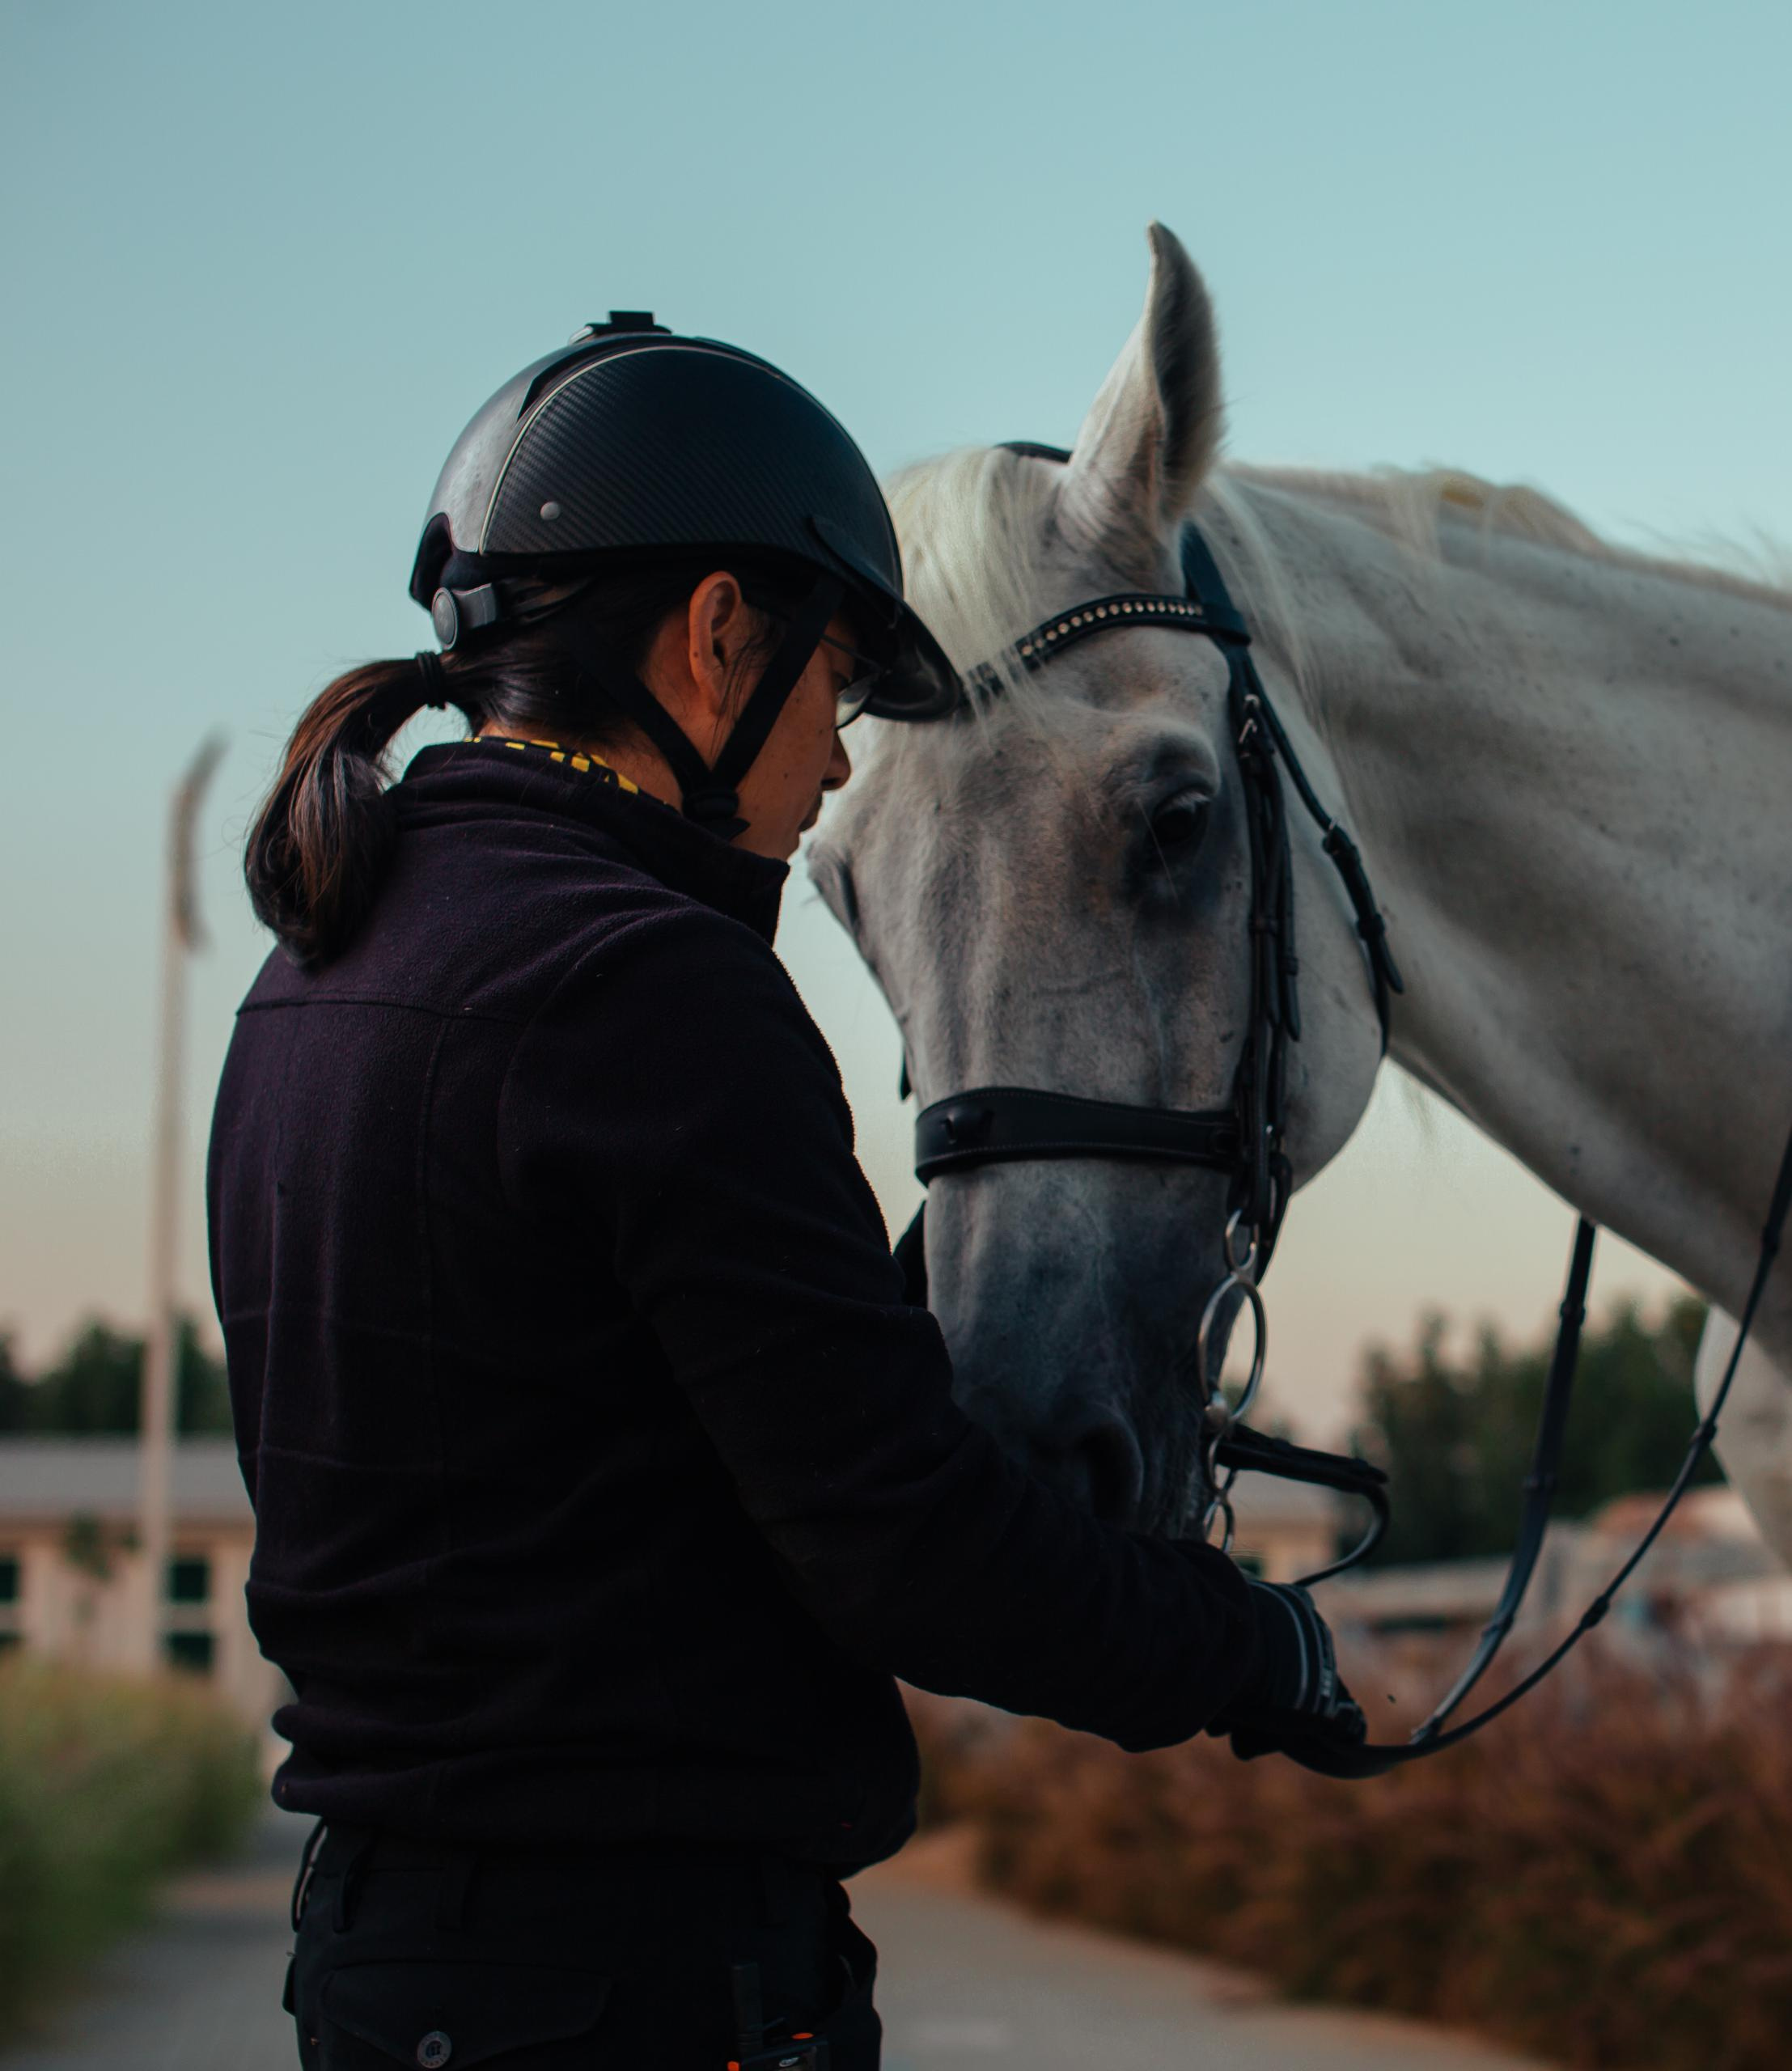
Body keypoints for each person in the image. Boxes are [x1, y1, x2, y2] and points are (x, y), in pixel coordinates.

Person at [208, 312, 1365, 2071]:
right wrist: (1251, 1650)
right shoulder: (647, 983)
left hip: (385, 1970)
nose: (831, 761)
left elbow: (593, 1428)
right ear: (716, 635)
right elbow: (910, 1547)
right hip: (644, 1991)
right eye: (831, 685)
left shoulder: (315, 970)